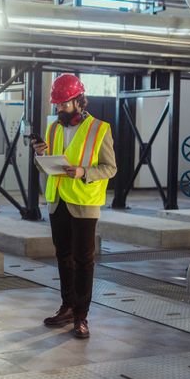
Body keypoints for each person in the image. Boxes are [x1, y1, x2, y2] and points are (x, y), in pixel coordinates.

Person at [30, 74, 117, 339]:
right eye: (56, 105)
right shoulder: (54, 128)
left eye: (64, 105)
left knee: (84, 261)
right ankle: (67, 307)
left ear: (79, 101)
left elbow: (110, 168)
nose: (59, 110)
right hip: (57, 202)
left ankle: (82, 316)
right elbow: (43, 165)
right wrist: (41, 154)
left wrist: (83, 172)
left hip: (83, 203)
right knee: (62, 256)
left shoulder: (100, 129)